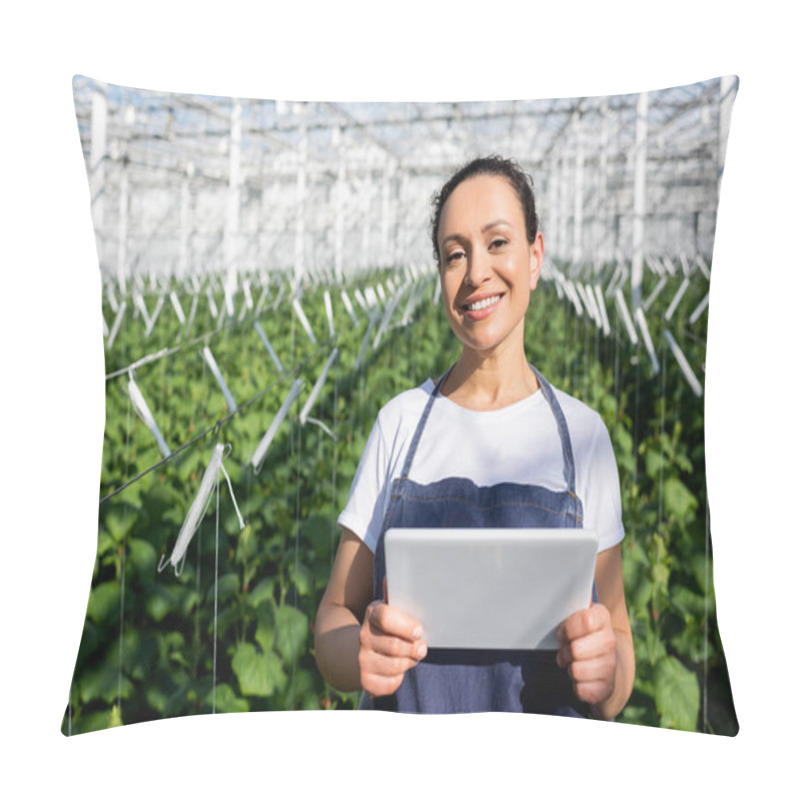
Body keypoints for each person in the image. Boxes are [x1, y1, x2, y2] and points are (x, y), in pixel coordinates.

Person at [314, 155, 634, 718]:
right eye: (454, 254)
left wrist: (605, 674)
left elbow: (620, 643)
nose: (475, 272)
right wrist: (359, 648)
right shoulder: (401, 423)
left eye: (497, 243)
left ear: (536, 257)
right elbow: (333, 618)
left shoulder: (582, 437)